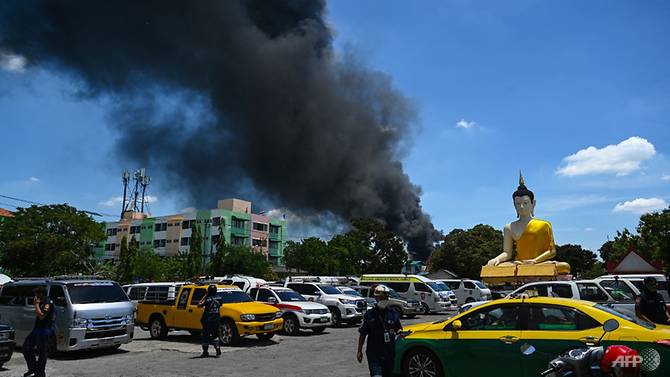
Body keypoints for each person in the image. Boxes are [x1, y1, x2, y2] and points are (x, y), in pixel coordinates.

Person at [357, 285, 405, 377]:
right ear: (376, 298)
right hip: (374, 354)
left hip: (389, 353)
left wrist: (400, 332)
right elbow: (362, 334)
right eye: (381, 297)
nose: (383, 300)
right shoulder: (369, 314)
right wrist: (359, 351)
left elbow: (398, 328)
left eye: (385, 297)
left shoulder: (393, 313)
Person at [23, 286, 55, 377]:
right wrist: (37, 304)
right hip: (36, 330)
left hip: (44, 331)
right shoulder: (41, 302)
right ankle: (32, 368)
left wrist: (36, 305)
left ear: (41, 294)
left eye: (36, 295)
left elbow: (41, 316)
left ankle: (40, 373)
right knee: (26, 348)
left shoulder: (47, 302)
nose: (35, 297)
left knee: (42, 352)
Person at [197, 284, 222, 357]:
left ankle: (205, 352)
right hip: (216, 320)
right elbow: (220, 305)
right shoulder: (220, 298)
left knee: (205, 336)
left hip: (207, 320)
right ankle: (218, 351)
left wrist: (205, 296)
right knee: (215, 335)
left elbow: (199, 305)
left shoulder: (207, 299)